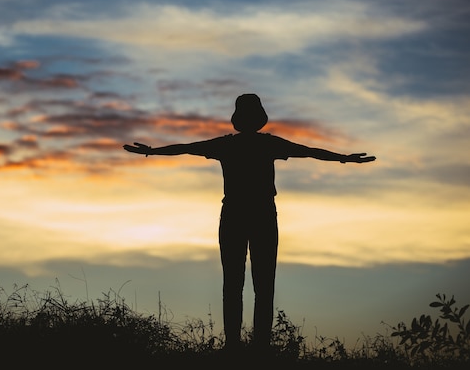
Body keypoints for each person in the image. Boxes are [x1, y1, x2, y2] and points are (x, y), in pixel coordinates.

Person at [123, 93, 375, 353]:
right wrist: (345, 158)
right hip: (258, 214)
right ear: (259, 118)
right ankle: (254, 347)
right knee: (259, 285)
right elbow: (309, 152)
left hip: (240, 214)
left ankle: (239, 346)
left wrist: (152, 152)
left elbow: (187, 147)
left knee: (237, 284)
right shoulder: (263, 144)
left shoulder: (229, 145)